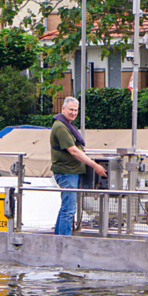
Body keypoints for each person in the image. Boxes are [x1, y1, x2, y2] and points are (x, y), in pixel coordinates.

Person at [51, 97, 107, 235]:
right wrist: (95, 165)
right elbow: (73, 150)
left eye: (76, 110)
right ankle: (64, 242)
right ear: (63, 108)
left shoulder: (67, 125)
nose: (73, 113)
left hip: (71, 172)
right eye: (71, 109)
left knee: (66, 208)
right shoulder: (60, 127)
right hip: (66, 172)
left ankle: (58, 240)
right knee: (69, 210)